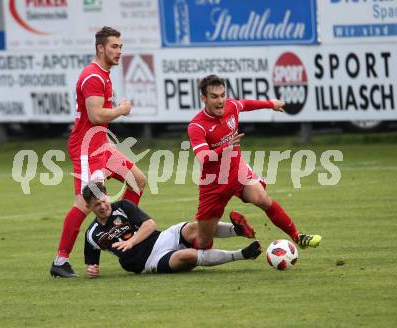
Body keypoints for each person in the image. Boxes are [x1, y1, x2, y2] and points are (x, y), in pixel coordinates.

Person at [50, 26, 147, 278]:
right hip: (87, 150)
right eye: (114, 47)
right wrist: (122, 110)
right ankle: (60, 261)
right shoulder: (93, 76)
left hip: (101, 145)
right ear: (100, 48)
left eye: (121, 47)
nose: (119, 51)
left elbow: (97, 119)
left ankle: (126, 231)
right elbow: (95, 115)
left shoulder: (103, 74)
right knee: (83, 204)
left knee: (137, 180)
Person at [187, 74, 322, 250]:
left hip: (237, 172)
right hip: (214, 184)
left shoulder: (231, 106)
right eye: (214, 97)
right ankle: (192, 242)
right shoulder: (196, 126)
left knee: (262, 198)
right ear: (203, 98)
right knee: (204, 243)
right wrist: (225, 147)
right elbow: (203, 157)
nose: (220, 101)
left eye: (222, 95)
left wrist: (270, 104)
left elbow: (246, 104)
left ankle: (298, 236)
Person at [81, 181, 262, 277]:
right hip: (149, 261)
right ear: (89, 207)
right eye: (97, 205)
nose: (104, 206)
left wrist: (132, 241)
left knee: (192, 227)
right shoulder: (92, 234)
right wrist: (92, 269)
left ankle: (237, 230)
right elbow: (92, 262)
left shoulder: (123, 206)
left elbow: (150, 225)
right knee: (188, 255)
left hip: (162, 238)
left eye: (104, 200)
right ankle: (242, 254)